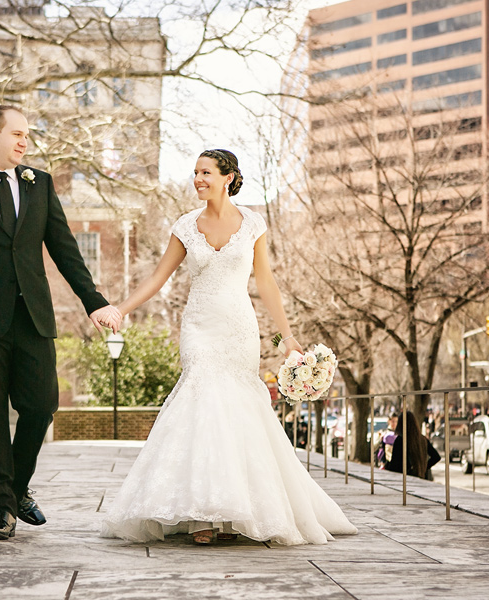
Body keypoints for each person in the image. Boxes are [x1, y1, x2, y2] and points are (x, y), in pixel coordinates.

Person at [100, 149, 357, 546]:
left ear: (228, 177)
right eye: (195, 172)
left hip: (239, 329)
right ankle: (203, 515)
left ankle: (238, 510)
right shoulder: (185, 226)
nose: (198, 179)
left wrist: (286, 338)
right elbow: (157, 279)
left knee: (236, 412)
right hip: (199, 329)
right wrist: (120, 308)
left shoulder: (253, 223)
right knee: (202, 404)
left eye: (206, 172)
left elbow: (266, 283)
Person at [0, 105, 121, 541]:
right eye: (17, 134)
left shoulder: (40, 184)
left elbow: (65, 249)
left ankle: (14, 488)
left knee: (40, 407)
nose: (25, 142)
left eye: (28, 136)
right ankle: (1, 510)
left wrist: (95, 302)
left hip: (33, 317)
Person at [384, 410, 441, 481]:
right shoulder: (422, 439)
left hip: (405, 479)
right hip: (421, 478)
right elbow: (436, 457)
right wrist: (424, 467)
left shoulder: (400, 440)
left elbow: (395, 464)